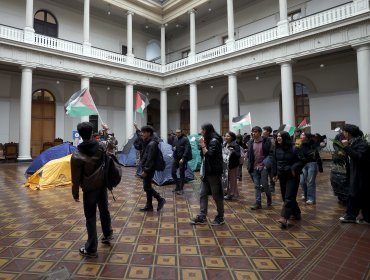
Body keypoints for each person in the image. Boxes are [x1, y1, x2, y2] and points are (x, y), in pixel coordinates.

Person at [71, 122, 113, 258]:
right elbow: (110, 141)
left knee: (90, 217)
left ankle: (91, 247)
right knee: (104, 210)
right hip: (102, 185)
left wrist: (75, 193)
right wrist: (107, 130)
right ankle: (107, 234)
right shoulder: (101, 146)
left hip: (89, 189)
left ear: (80, 134)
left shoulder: (76, 155)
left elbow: (75, 178)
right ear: (91, 133)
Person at [190, 123, 225, 226]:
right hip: (207, 172)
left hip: (213, 172)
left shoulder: (214, 141)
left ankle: (220, 217)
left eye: (202, 130)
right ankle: (202, 216)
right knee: (202, 194)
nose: (200, 132)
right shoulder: (209, 140)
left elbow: (209, 155)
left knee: (216, 195)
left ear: (206, 130)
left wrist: (203, 145)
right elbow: (203, 156)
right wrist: (201, 145)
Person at [272, 131, 306, 228]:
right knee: (286, 197)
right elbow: (274, 162)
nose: (278, 138)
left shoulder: (294, 148)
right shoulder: (276, 148)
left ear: (285, 138)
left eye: (280, 136)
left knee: (289, 197)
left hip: (292, 176)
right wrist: (274, 174)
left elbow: (302, 160)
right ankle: (296, 213)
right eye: (277, 136)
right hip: (282, 176)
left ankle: (284, 217)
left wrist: (293, 168)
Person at [339, 124, 370, 224]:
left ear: (348, 133)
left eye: (344, 132)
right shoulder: (352, 143)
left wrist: (346, 147)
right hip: (354, 174)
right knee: (356, 195)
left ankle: (353, 216)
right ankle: (354, 216)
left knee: (358, 195)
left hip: (362, 175)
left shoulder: (362, 144)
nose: (343, 134)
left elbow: (358, 157)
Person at [139, 125, 166, 212]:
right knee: (148, 186)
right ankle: (149, 205)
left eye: (144, 132)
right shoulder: (148, 142)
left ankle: (160, 199)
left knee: (146, 187)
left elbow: (150, 159)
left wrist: (146, 170)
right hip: (147, 167)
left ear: (148, 133)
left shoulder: (152, 144)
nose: (142, 134)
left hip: (149, 168)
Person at [247, 126, 272, 210]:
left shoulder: (266, 141)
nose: (253, 133)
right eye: (252, 132)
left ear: (260, 133)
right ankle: (258, 203)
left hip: (263, 166)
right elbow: (249, 155)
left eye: (255, 132)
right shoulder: (250, 142)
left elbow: (270, 153)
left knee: (264, 185)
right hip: (254, 167)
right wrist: (249, 165)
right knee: (257, 186)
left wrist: (266, 164)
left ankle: (269, 197)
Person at [298, 132, 322, 205]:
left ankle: (311, 198)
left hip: (312, 163)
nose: (301, 136)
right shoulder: (299, 144)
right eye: (301, 135)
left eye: (303, 135)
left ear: (307, 137)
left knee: (310, 182)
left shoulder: (312, 144)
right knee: (302, 181)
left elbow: (316, 155)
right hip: (303, 164)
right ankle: (305, 195)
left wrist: (320, 167)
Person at [172, 129, 192, 195]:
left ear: (181, 132)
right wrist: (173, 148)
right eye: (176, 132)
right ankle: (177, 186)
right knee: (173, 172)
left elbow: (187, 149)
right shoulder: (175, 139)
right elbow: (172, 146)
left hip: (182, 159)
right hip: (176, 158)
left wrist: (183, 158)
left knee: (181, 173)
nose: (177, 133)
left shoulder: (185, 139)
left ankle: (181, 189)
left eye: (179, 132)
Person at [222, 131, 241, 200]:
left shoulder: (236, 145)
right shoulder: (224, 144)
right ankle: (226, 192)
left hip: (232, 165)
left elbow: (238, 155)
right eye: (225, 136)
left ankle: (231, 193)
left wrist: (233, 151)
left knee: (232, 180)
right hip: (225, 165)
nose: (226, 137)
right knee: (225, 179)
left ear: (232, 137)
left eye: (228, 136)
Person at [262, 126, 276, 193]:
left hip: (269, 158)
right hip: (263, 158)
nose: (263, 131)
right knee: (264, 174)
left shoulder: (271, 139)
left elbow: (272, 150)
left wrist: (270, 158)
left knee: (271, 173)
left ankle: (272, 187)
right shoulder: (262, 138)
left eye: (264, 130)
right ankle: (265, 186)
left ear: (268, 131)